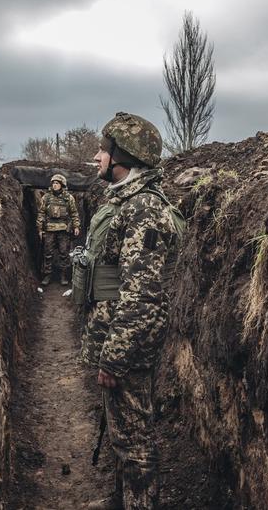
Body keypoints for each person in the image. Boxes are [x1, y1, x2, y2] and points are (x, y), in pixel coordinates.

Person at [79, 112, 177, 510]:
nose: (97, 156)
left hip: (128, 345)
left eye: (103, 149)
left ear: (122, 156)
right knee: (122, 432)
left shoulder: (144, 210)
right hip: (117, 337)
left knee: (135, 442)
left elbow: (141, 295)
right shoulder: (126, 201)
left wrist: (115, 357)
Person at [36, 174, 80, 285]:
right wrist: (40, 229)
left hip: (63, 230)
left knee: (64, 253)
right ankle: (47, 275)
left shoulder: (68, 198)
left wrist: (76, 226)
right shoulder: (46, 197)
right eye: (53, 183)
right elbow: (41, 213)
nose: (55, 185)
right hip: (49, 229)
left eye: (57, 183)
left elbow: (74, 213)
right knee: (48, 253)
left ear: (62, 185)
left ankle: (64, 275)